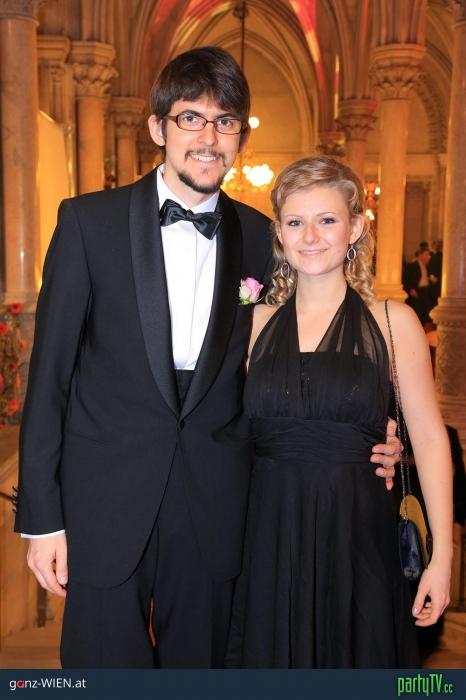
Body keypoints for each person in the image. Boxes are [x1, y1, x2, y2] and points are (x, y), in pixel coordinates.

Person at [14, 48, 399, 669]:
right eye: (191, 118)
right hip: (104, 502)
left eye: (225, 122)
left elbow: (310, 346)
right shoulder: (88, 223)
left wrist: (371, 432)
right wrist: (41, 519)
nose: (209, 137)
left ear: (240, 136)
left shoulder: (263, 237)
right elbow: (50, 378)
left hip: (218, 504)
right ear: (157, 126)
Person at [225, 156, 452, 668]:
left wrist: (442, 557)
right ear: (278, 234)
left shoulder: (393, 322)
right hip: (265, 534)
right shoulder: (252, 323)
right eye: (295, 221)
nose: (310, 236)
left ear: (355, 228)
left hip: (358, 537)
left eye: (327, 219)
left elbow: (430, 438)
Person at [403, 247, 433, 326]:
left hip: (426, 290)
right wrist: (410, 289)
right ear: (420, 255)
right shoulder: (412, 266)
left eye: (429, 255)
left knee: (425, 311)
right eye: (426, 255)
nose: (429, 257)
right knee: (417, 311)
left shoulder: (427, 266)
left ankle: (423, 327)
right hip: (417, 291)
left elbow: (425, 277)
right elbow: (406, 279)